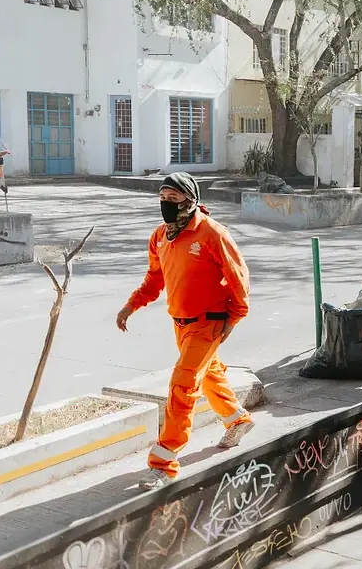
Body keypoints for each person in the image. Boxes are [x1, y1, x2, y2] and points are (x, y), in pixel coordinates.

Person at [116, 172, 254, 490]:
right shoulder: (160, 237)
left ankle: (164, 462)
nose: (167, 205)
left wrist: (233, 318)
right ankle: (238, 419)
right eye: (163, 199)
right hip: (181, 323)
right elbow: (154, 280)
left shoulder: (211, 233)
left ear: (190, 201)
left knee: (182, 385)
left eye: (174, 199)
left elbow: (238, 276)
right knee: (209, 374)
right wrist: (130, 305)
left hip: (209, 322)